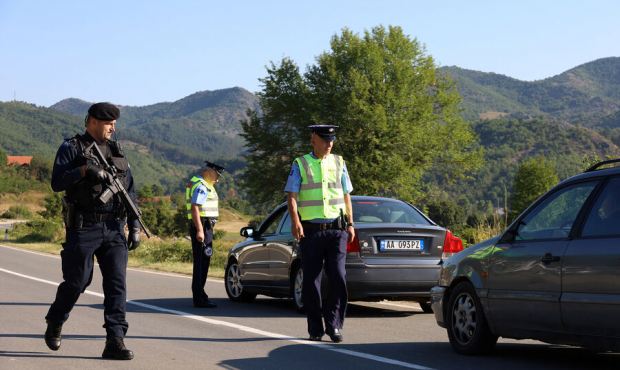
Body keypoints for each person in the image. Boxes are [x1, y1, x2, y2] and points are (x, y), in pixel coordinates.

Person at [44, 102, 141, 360]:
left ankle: (115, 340)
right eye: (109, 123)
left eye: (114, 124)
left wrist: (134, 226)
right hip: (84, 226)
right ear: (93, 121)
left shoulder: (117, 150)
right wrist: (84, 170)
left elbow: (130, 191)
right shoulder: (72, 148)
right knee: (78, 280)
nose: (113, 128)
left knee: (117, 284)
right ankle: (56, 319)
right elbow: (56, 182)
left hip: (114, 227)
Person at [285, 124, 355, 343]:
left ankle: (333, 325)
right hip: (311, 232)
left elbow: (346, 196)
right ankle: (315, 328)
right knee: (311, 281)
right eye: (325, 140)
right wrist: (296, 221)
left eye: (332, 141)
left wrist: (351, 224)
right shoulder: (300, 163)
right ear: (313, 139)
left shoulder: (339, 162)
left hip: (337, 230)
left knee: (338, 275)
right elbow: (292, 196)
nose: (329, 145)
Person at [186, 161, 224, 308]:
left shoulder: (202, 184)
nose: (218, 179)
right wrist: (200, 230)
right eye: (217, 175)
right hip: (202, 225)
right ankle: (199, 297)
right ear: (209, 171)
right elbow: (195, 207)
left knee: (203, 260)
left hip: (205, 225)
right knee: (202, 261)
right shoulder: (202, 185)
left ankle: (200, 295)